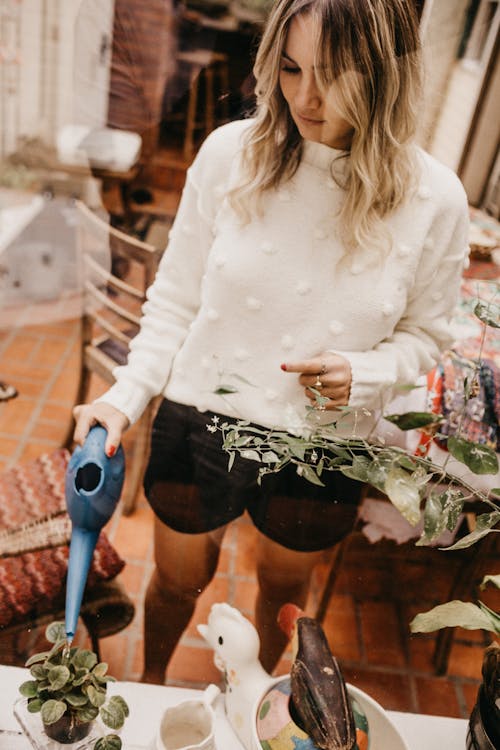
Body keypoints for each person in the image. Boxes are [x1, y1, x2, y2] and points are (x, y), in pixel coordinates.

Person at [73, 0, 470, 684]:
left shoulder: (435, 199)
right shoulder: (232, 153)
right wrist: (125, 394)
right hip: (200, 417)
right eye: (290, 69)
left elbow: (429, 337)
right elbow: (174, 300)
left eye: (335, 76)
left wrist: (368, 372)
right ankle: (150, 693)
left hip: (323, 440)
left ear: (383, 76)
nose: (305, 98)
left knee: (283, 598)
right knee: (173, 586)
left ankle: (249, 699)